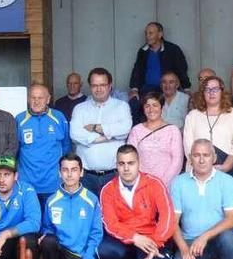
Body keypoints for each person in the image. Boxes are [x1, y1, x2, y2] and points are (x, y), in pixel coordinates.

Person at [98, 145, 174, 259]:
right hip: (124, 240)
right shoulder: (108, 190)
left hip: (151, 240)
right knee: (104, 249)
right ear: (117, 165)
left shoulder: (155, 184)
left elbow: (168, 217)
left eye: (130, 163)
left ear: (139, 163)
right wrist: (134, 237)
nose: (126, 168)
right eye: (122, 164)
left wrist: (156, 244)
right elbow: (110, 224)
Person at [39, 153, 102, 259]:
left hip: (79, 256)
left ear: (81, 172)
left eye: (74, 170)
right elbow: (47, 227)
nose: (69, 174)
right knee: (48, 241)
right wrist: (45, 235)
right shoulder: (52, 200)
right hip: (59, 252)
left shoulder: (91, 199)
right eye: (65, 170)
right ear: (59, 173)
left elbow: (96, 234)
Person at [70, 68, 132, 197]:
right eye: (94, 85)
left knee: (113, 215)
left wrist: (95, 127)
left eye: (102, 85)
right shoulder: (80, 109)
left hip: (114, 175)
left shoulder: (121, 106)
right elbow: (74, 134)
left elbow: (125, 129)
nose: (98, 89)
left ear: (110, 86)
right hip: (85, 176)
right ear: (90, 87)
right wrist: (108, 136)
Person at [183, 76, 233, 195]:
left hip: (228, 170)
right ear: (202, 93)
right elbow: (188, 147)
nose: (211, 93)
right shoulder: (192, 116)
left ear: (222, 91)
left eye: (215, 89)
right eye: (207, 89)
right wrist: (204, 168)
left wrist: (225, 167)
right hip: (198, 172)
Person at [16, 83, 70, 203]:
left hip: (54, 184)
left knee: (53, 221)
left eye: (40, 98)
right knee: (31, 221)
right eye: (33, 97)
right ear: (28, 99)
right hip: (27, 184)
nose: (36, 101)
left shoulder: (59, 117)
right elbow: (15, 150)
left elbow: (66, 146)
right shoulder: (19, 119)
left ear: (48, 99)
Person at [128, 22, 191, 121]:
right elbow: (137, 70)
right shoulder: (143, 51)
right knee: (135, 105)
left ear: (160, 34)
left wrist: (186, 88)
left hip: (166, 89)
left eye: (151, 33)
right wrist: (134, 89)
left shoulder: (173, 49)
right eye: (146, 33)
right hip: (147, 90)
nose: (147, 36)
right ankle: (140, 133)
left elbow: (181, 69)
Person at [126, 92, 183, 187]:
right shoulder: (136, 130)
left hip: (167, 185)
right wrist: (141, 182)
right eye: (147, 106)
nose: (151, 109)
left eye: (155, 105)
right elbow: (130, 158)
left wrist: (160, 184)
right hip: (142, 185)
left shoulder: (173, 130)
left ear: (161, 107)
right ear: (143, 109)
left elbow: (177, 161)